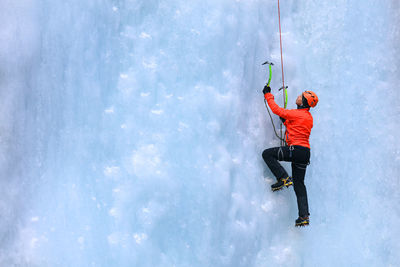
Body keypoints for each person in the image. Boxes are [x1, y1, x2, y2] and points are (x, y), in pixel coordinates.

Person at [261, 85, 318, 227]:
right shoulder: (308, 117)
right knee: (299, 184)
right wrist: (285, 120)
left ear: (304, 102)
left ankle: (283, 177)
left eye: (301, 97)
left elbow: (276, 110)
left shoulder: (298, 114)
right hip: (304, 153)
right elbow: (294, 125)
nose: (298, 97)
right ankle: (304, 216)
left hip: (296, 150)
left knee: (267, 154)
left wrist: (268, 94)